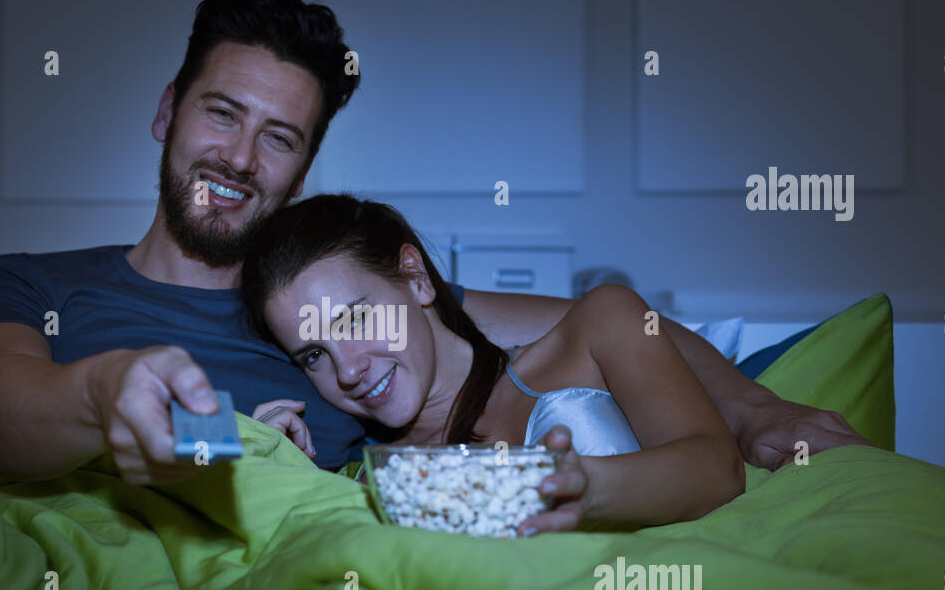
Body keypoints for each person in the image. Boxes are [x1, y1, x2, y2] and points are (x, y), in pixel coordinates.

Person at [0, 0, 870, 508]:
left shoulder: (333, 315)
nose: (240, 158)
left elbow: (614, 327)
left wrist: (749, 412)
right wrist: (106, 393)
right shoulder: (29, 286)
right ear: (168, 112)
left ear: (300, 170)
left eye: (280, 136)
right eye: (222, 114)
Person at [241, 195, 747, 534]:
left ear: (415, 277)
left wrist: (583, 491)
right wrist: (270, 467)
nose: (347, 372)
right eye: (313, 355)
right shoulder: (368, 479)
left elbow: (719, 469)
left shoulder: (600, 327)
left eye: (354, 321)